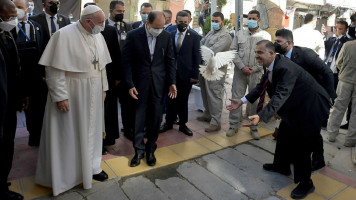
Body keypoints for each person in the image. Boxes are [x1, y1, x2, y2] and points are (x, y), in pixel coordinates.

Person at [227, 40, 331, 199]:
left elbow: (281, 93)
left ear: (271, 53)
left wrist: (261, 116)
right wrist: (242, 101)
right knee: (284, 133)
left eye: (259, 52)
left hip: (311, 107)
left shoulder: (284, 67)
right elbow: (261, 86)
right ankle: (281, 166)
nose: (256, 56)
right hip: (296, 104)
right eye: (255, 52)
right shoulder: (270, 64)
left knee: (301, 146)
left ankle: (306, 183)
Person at [35, 5, 112, 196]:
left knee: (92, 132)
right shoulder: (63, 35)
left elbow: (102, 67)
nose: (103, 26)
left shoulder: (98, 35)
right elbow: (53, 70)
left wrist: (104, 88)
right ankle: (67, 176)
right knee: (68, 134)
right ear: (88, 21)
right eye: (100, 22)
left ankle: (93, 168)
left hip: (94, 92)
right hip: (72, 93)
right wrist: (60, 96)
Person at [273, 28, 335, 171]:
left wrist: (329, 97)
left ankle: (318, 160)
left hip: (313, 99)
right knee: (287, 128)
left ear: (288, 43)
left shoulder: (306, 54)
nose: (275, 44)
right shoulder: (280, 58)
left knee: (312, 132)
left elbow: (327, 73)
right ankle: (282, 164)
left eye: (278, 41)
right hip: (295, 100)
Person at [122, 11, 176, 167]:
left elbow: (170, 60)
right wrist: (130, 84)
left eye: (162, 27)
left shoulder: (165, 36)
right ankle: (138, 150)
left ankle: (150, 149)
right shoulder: (133, 35)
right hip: (139, 84)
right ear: (147, 23)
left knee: (155, 119)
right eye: (156, 27)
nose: (159, 30)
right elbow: (126, 62)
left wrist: (172, 82)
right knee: (138, 119)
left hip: (158, 84)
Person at [83, 2, 122, 154]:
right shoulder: (77, 33)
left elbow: (115, 55)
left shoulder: (109, 30)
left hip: (107, 78)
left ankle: (106, 141)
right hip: (87, 80)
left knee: (107, 112)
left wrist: (117, 76)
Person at [227, 10, 271, 139]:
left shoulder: (265, 36)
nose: (250, 20)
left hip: (256, 74)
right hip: (240, 73)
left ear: (259, 20)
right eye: (249, 18)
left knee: (255, 100)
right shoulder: (239, 34)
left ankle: (253, 126)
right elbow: (233, 51)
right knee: (236, 97)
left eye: (253, 18)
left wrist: (256, 68)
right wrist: (241, 67)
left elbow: (268, 55)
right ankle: (233, 125)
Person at [0, 1, 26, 199]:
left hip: (9, 102)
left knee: (7, 143)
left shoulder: (8, 33)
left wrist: (20, 96)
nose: (11, 21)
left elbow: (14, 69)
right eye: (8, 17)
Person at [160, 11, 201, 136]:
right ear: (176, 21)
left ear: (189, 21)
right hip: (171, 74)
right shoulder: (169, 34)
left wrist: (195, 75)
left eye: (185, 22)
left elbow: (197, 57)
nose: (182, 24)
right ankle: (168, 122)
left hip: (186, 75)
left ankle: (183, 124)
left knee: (183, 100)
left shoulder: (194, 36)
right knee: (170, 99)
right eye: (180, 22)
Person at [12, 0, 45, 147]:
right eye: (14, 7)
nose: (16, 10)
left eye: (19, 7)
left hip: (34, 76)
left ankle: (35, 136)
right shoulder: (6, 28)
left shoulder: (36, 27)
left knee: (36, 109)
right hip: (14, 77)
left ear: (27, 9)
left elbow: (43, 51)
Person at [196, 12, 232, 132]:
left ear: (222, 21)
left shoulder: (225, 36)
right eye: (213, 21)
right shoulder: (212, 32)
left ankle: (216, 122)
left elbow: (212, 51)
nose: (214, 23)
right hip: (205, 67)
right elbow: (201, 43)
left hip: (215, 70)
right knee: (205, 92)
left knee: (214, 94)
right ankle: (207, 114)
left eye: (217, 21)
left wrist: (202, 50)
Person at [327, 25, 356, 147]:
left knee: (338, 107)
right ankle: (350, 140)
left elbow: (338, 63)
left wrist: (344, 70)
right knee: (355, 111)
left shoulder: (348, 45)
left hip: (345, 80)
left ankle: (331, 135)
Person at [323, 20, 350, 129]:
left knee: (335, 100)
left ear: (346, 30)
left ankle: (333, 124)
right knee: (324, 97)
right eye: (336, 28)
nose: (338, 31)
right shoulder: (331, 40)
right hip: (326, 72)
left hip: (337, 75)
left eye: (341, 29)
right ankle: (323, 120)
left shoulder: (347, 43)